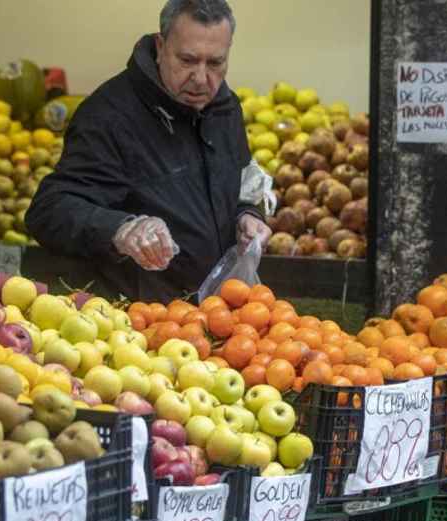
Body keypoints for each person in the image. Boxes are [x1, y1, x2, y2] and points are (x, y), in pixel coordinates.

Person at [26, 0, 271, 302]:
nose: (200, 78)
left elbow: (242, 179)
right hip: (138, 323)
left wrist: (248, 214)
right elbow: (49, 210)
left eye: (215, 63)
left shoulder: (223, 106)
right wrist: (121, 230)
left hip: (212, 316)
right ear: (160, 45)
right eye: (187, 60)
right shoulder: (109, 116)